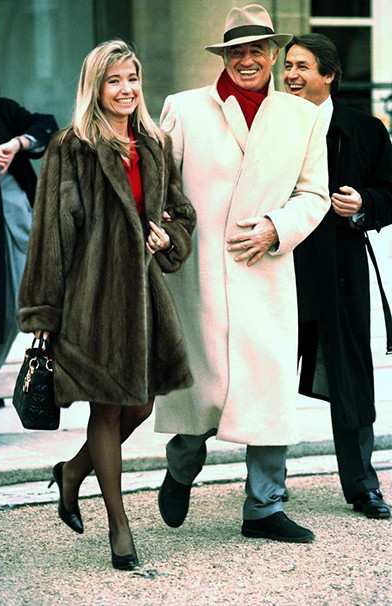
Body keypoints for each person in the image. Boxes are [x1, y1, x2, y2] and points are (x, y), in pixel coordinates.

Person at [154, 4, 330, 544]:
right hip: (198, 275)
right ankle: (181, 469)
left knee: (267, 391)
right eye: (237, 51)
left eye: (257, 50)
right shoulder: (183, 108)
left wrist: (277, 227)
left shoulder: (303, 117)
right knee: (199, 391)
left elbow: (314, 194)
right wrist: (163, 231)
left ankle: (264, 507)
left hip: (266, 270)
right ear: (224, 56)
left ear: (273, 55)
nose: (247, 60)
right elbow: (159, 187)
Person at [17, 39, 196, 569]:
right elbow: (51, 233)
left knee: (140, 405)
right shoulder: (71, 146)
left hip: (144, 297)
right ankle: (120, 528)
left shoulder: (155, 142)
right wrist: (44, 312)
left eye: (131, 79)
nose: (125, 89)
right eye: (114, 80)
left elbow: (181, 212)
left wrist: (169, 238)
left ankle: (73, 472)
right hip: (91, 297)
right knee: (109, 406)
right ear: (95, 87)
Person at [283, 33, 392, 519]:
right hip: (282, 265)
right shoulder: (269, 126)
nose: (291, 74)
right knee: (268, 373)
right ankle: (268, 484)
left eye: (302, 66)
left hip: (341, 269)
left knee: (351, 376)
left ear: (328, 75)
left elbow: (390, 193)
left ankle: (363, 485)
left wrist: (364, 204)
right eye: (288, 66)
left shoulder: (366, 130)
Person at [0, 98, 58, 450]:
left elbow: (45, 124)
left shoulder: (0, 110)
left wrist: (17, 144)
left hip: (20, 234)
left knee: (13, 319)